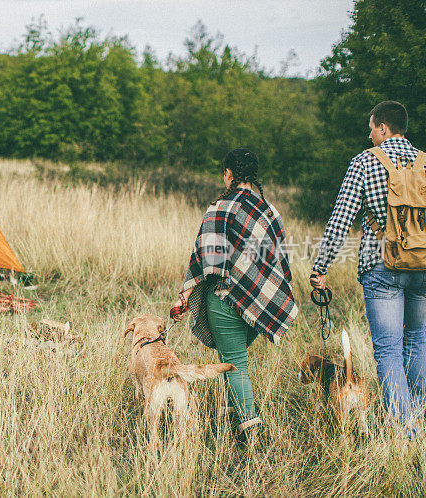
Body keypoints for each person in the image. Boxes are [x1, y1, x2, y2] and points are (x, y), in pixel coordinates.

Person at [310, 100, 426, 439]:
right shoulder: (425, 162)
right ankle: (418, 415)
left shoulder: (365, 161)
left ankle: (404, 430)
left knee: (388, 348)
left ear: (384, 128)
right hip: (424, 265)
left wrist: (321, 267)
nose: (369, 133)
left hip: (382, 265)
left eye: (372, 127)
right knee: (418, 339)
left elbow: (341, 219)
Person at [171, 148, 299, 442]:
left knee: (235, 363)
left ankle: (250, 431)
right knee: (238, 359)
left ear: (228, 173)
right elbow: (278, 260)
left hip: (226, 299)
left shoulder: (219, 208)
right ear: (253, 176)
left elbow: (202, 260)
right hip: (258, 304)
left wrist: (183, 297)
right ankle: (234, 412)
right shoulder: (270, 211)